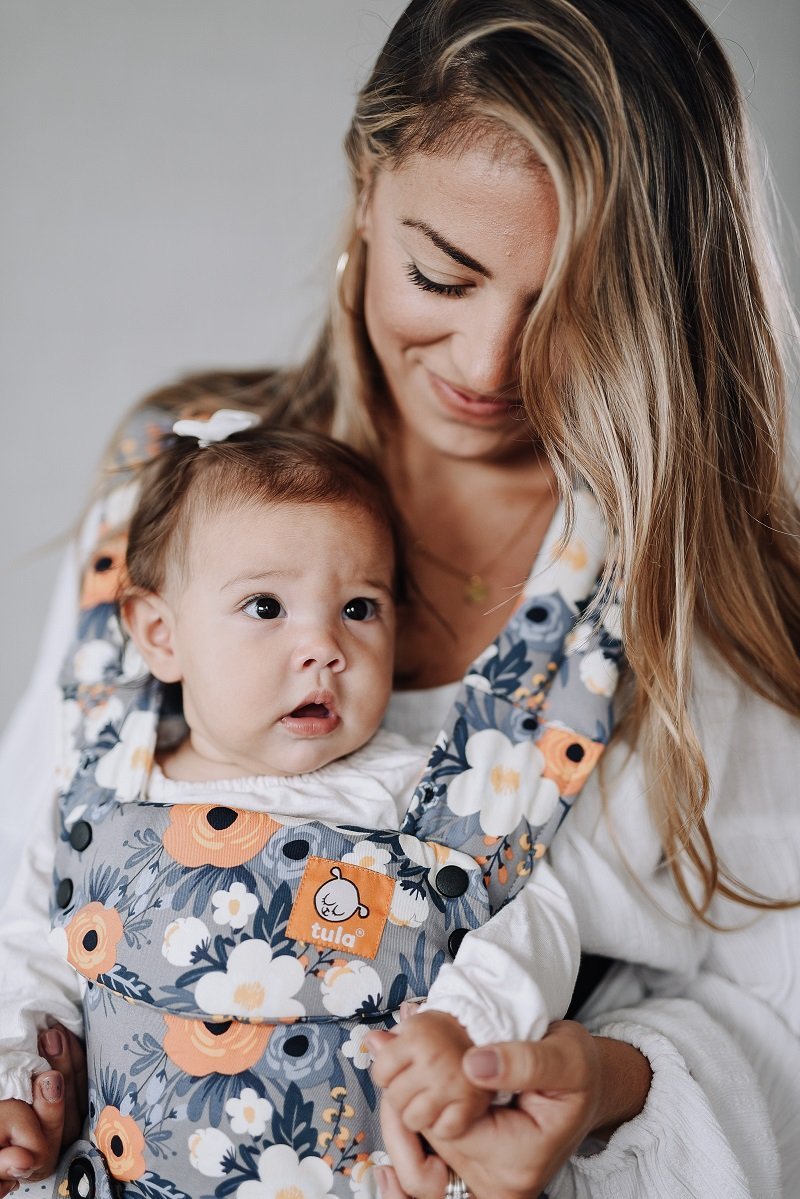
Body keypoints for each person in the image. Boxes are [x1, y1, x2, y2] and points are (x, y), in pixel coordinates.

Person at [0, 0, 798, 1195]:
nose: (485, 364)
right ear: (365, 190)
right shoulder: (169, 493)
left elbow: (776, 1012)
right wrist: (28, 1073)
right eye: (441, 275)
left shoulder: (689, 588)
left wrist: (599, 1078)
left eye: (570, 308)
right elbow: (30, 893)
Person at [0, 414, 614, 1197]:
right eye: (266, 606)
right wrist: (19, 1076)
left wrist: (465, 1024)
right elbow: (30, 951)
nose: (325, 646)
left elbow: (535, 917)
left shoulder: (422, 791)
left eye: (359, 607)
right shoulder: (106, 788)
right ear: (161, 634)